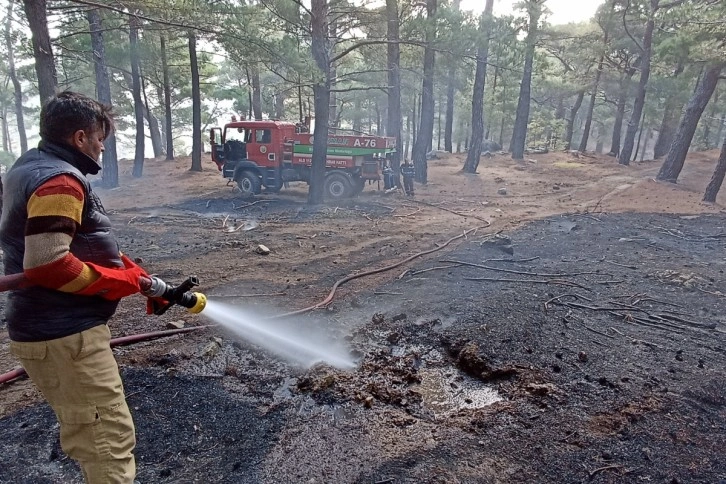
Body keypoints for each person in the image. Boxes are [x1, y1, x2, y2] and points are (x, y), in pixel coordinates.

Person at [0, 91, 149, 483]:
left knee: (97, 436)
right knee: (108, 444)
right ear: (80, 137)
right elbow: (49, 263)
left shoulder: (29, 168)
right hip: (66, 335)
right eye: (100, 137)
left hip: (52, 331)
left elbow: (73, 241)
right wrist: (116, 281)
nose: (102, 147)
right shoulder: (60, 180)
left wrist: (133, 272)